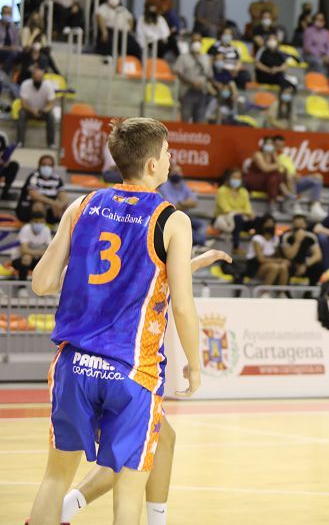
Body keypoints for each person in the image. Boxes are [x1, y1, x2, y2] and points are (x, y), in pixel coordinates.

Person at [25, 118, 205, 525]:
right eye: (168, 151)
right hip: (130, 371)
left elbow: (41, 283)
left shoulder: (83, 204)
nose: (171, 157)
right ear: (153, 165)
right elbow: (181, 306)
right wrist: (195, 364)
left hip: (74, 365)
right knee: (128, 493)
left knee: (55, 478)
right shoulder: (171, 219)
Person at [157, 164, 209, 248]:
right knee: (190, 230)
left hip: (185, 215)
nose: (177, 174)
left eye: (179, 172)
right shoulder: (165, 187)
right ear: (170, 173)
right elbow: (173, 206)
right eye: (175, 172)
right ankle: (198, 243)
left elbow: (194, 202)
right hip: (172, 218)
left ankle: (198, 243)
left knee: (202, 224)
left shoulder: (183, 185)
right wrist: (186, 203)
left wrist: (181, 203)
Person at [173, 34, 215, 123]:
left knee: (200, 120)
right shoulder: (183, 57)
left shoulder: (206, 58)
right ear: (190, 43)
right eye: (194, 41)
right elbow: (178, 73)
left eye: (198, 41)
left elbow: (209, 75)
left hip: (202, 92)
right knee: (185, 119)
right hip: (187, 92)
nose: (196, 43)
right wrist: (191, 83)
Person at [17, 154, 69, 223]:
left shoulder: (57, 179)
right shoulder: (34, 177)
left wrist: (61, 204)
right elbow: (34, 195)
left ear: (53, 167)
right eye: (44, 165)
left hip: (49, 208)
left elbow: (63, 195)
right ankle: (38, 228)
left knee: (65, 206)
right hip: (27, 208)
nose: (46, 167)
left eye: (49, 165)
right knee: (39, 205)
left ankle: (61, 229)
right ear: (39, 166)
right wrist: (53, 203)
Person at [214, 167, 256, 252]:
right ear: (229, 178)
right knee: (238, 218)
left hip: (240, 219)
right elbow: (226, 209)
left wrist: (248, 213)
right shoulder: (222, 190)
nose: (236, 180)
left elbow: (248, 208)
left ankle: (257, 250)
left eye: (238, 178)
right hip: (225, 218)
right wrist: (243, 212)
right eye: (234, 177)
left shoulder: (243, 191)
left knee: (258, 220)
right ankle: (235, 246)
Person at [17, 65, 57, 148]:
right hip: (29, 110)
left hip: (43, 111)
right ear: (32, 76)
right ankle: (20, 142)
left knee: (51, 115)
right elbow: (23, 103)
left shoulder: (48, 85)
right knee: (22, 113)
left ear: (43, 77)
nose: (38, 78)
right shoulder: (25, 84)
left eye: (40, 76)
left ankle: (51, 144)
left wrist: (43, 110)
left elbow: (51, 104)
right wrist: (32, 110)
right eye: (36, 76)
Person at [280, 214, 324, 286]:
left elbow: (318, 255)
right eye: (297, 226)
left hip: (304, 263)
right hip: (291, 263)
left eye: (301, 226)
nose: (299, 229)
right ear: (292, 225)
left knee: (318, 266)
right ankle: (285, 292)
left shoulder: (311, 236)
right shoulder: (286, 236)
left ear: (305, 225)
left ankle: (309, 292)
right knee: (285, 266)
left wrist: (305, 264)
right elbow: (289, 256)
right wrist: (298, 241)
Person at [247, 215, 290, 287]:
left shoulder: (275, 239)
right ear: (262, 225)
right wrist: (279, 261)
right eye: (268, 223)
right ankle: (265, 292)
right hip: (255, 266)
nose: (270, 226)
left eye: (272, 224)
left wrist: (283, 260)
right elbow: (261, 259)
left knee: (283, 267)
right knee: (274, 267)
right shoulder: (257, 239)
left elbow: (277, 255)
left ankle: (281, 292)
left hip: (271, 263)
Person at [244, 136, 286, 210]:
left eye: (271, 144)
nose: (269, 146)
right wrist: (276, 165)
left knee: (274, 177)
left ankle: (272, 204)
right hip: (254, 180)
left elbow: (280, 167)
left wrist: (274, 155)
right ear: (263, 145)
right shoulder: (258, 154)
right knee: (276, 174)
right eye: (267, 144)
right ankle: (286, 193)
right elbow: (265, 169)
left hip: (267, 181)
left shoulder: (273, 155)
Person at [14, 208, 51, 280]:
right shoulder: (26, 229)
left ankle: (44, 287)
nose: (39, 224)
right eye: (36, 222)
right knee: (27, 257)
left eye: (41, 222)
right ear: (31, 222)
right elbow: (24, 250)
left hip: (36, 261)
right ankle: (22, 287)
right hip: (19, 261)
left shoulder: (46, 230)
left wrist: (36, 253)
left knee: (50, 259)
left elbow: (50, 250)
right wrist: (41, 253)